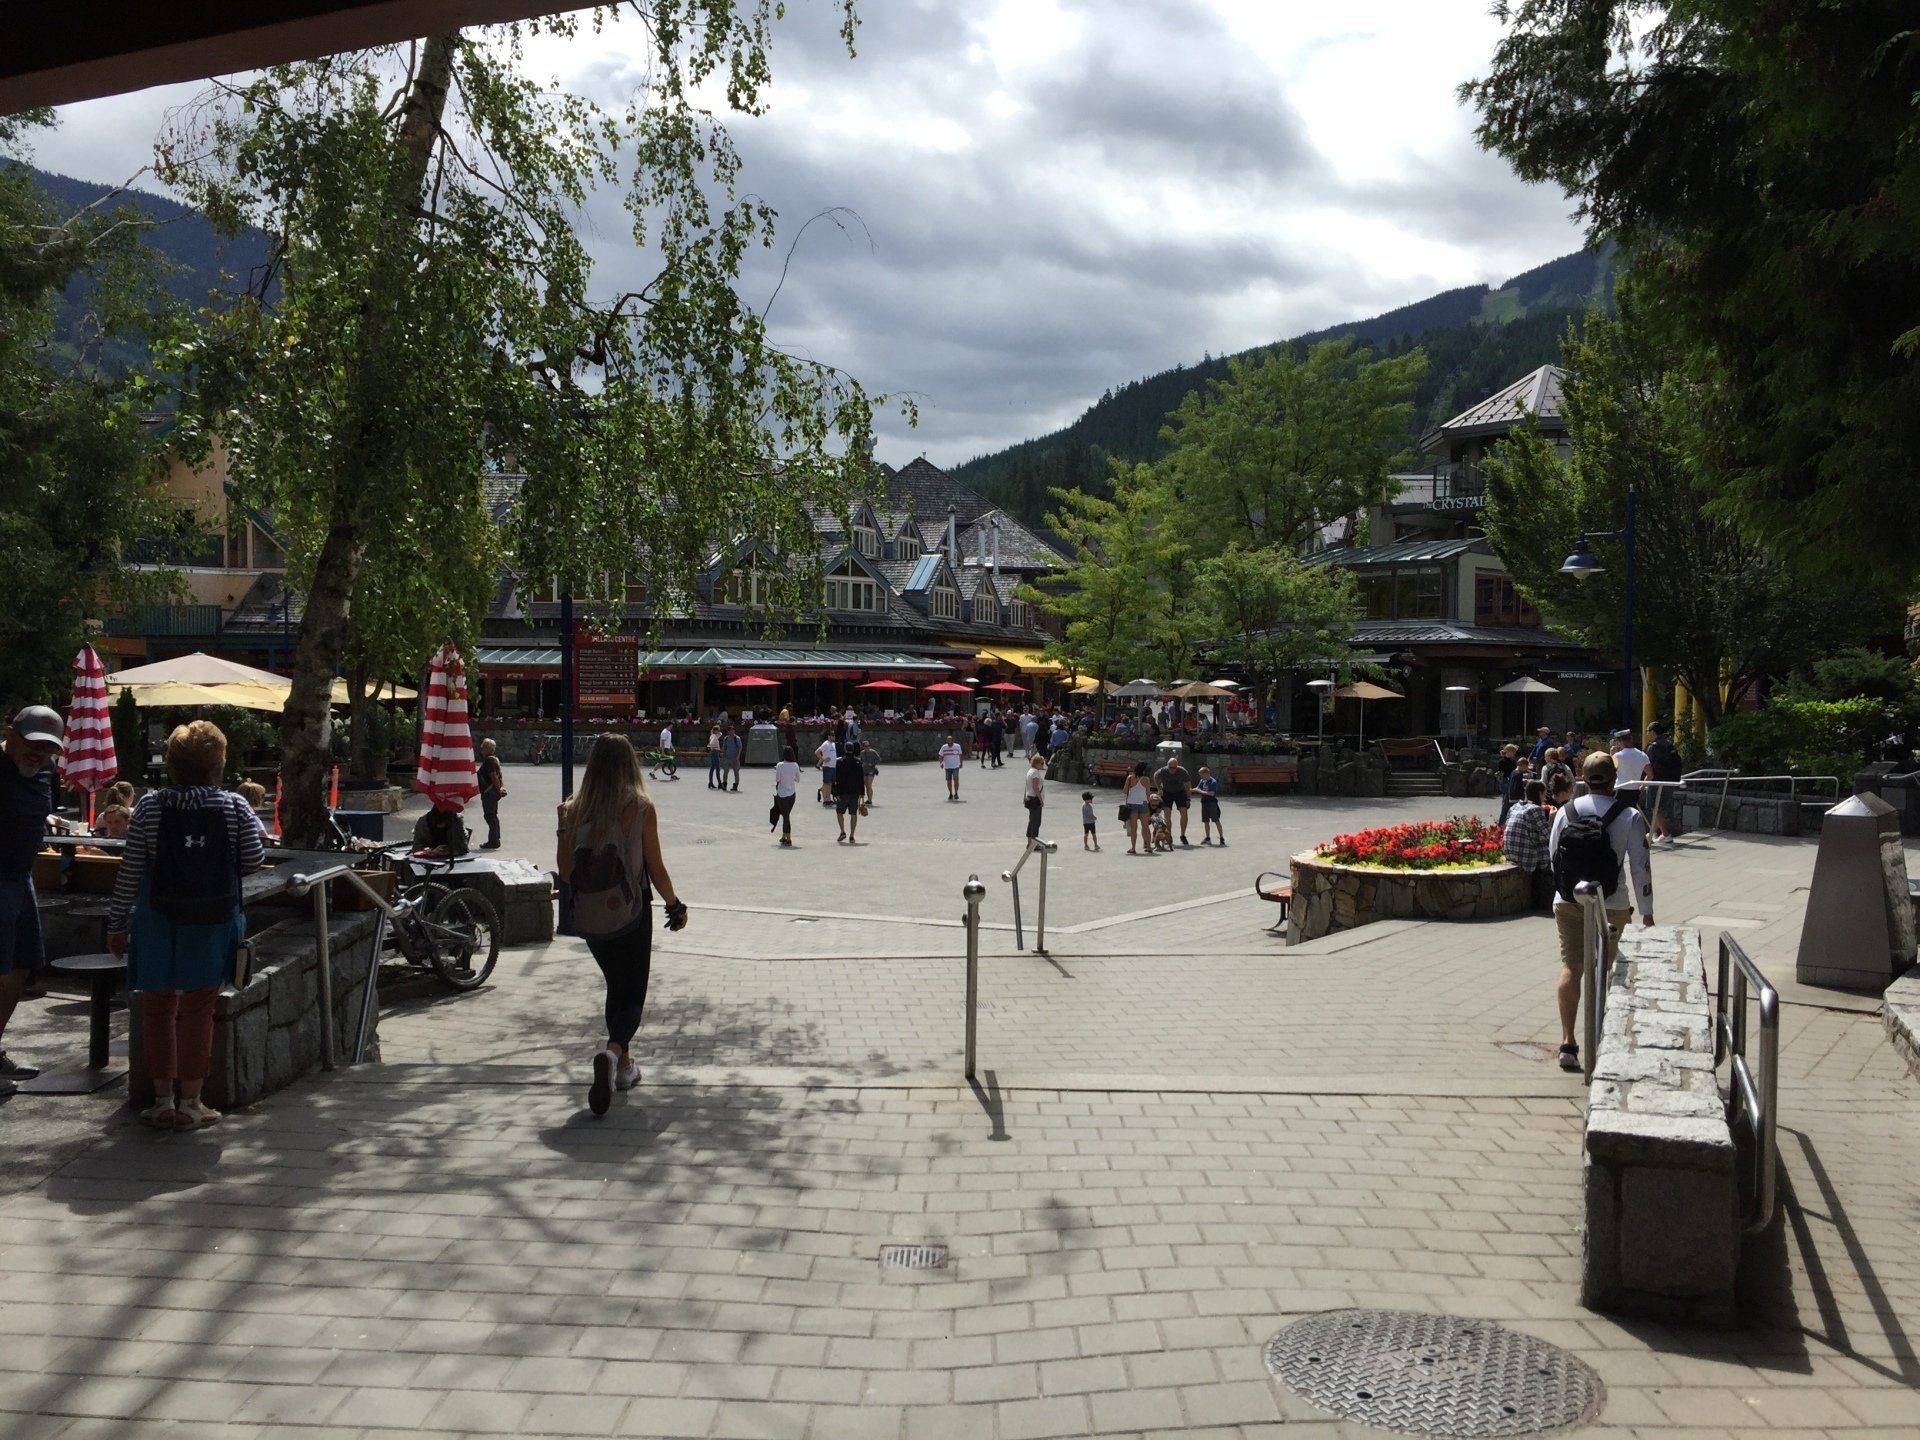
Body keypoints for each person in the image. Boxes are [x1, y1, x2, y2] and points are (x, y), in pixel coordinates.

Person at [107, 720, 267, 1131]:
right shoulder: (235, 806)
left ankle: (162, 1101)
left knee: (158, 1006)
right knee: (199, 1007)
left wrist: (117, 923)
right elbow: (252, 858)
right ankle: (192, 1102)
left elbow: (131, 869)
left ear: (173, 766)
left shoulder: (148, 806)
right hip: (212, 921)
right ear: (218, 766)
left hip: (157, 919)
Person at [556, 734, 687, 1115]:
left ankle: (625, 1068)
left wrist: (562, 826)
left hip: (590, 917)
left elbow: (566, 873)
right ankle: (612, 1056)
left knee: (617, 985)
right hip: (631, 913)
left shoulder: (571, 810)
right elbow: (655, 867)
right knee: (632, 996)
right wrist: (675, 905)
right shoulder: (640, 807)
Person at [1548, 751, 1655, 1073]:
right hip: (1613, 902)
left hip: (1570, 901)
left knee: (1571, 967)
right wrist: (1647, 913)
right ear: (1614, 779)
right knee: (1613, 971)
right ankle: (1610, 1038)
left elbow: (1554, 855)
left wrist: (1562, 892)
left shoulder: (1565, 812)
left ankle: (1568, 1042)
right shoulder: (1630, 816)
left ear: (1583, 777)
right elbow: (1640, 867)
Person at [0, 705, 65, 1093]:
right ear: (12, 734)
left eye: (48, 747)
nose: (39, 753)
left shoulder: (44, 773)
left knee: (21, 967)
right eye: (33, 743)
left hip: (19, 877)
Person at [1502, 778, 1554, 912]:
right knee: (1547, 848)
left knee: (1540, 841)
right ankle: (1544, 897)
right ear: (1540, 793)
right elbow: (1548, 835)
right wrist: (1552, 819)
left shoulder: (1515, 806)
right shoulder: (1535, 809)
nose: (1545, 797)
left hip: (1509, 851)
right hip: (1525, 856)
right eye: (1544, 793)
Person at [1645, 720, 1684, 843]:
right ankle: (1652, 833)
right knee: (1659, 807)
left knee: (1655, 808)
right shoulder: (1669, 744)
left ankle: (1666, 835)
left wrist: (1645, 782)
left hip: (1657, 781)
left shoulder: (1653, 747)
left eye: (1648, 732)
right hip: (1670, 781)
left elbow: (1649, 767)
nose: (1647, 734)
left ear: (1652, 732)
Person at [1153, 752, 1193, 847]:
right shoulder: (1162, 771)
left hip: (1180, 792)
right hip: (1167, 792)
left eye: (1174, 767)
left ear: (1177, 766)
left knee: (1184, 813)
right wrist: (1159, 788)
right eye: (1171, 768)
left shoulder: (1182, 771)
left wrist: (1188, 799)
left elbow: (1188, 786)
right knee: (1167, 814)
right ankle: (1168, 835)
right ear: (1167, 766)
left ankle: (1183, 835)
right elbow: (1155, 775)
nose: (1173, 770)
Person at [833, 740, 866, 843]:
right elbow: (861, 779)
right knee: (853, 814)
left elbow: (837, 778)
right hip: (855, 792)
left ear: (845, 749)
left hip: (843, 792)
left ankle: (842, 831)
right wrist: (862, 794)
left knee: (839, 812)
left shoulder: (839, 762)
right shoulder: (858, 762)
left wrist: (836, 793)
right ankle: (852, 835)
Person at [476, 738, 505, 849]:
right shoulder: (494, 760)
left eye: (484, 746)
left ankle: (494, 841)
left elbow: (494, 776)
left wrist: (499, 789)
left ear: (489, 748)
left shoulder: (489, 761)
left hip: (489, 793)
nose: (481, 749)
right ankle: (495, 839)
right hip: (492, 792)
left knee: (490, 816)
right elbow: (499, 776)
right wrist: (501, 788)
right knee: (492, 816)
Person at [770, 745, 801, 846]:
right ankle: (784, 836)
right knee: (786, 816)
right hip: (792, 794)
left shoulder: (779, 765)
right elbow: (797, 779)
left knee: (786, 817)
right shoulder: (795, 765)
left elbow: (777, 779)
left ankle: (788, 838)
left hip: (782, 794)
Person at [1124, 761, 1152, 856]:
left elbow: (1124, 791)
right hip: (1143, 803)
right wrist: (1147, 802)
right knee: (1145, 826)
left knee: (1133, 827)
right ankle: (1148, 846)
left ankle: (1133, 848)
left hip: (1132, 804)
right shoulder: (1146, 779)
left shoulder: (1130, 777)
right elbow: (1148, 794)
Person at [1195, 766, 1226, 846]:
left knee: (1216, 820)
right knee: (1205, 821)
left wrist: (1200, 791)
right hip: (1204, 802)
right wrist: (1190, 790)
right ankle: (1208, 838)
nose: (1201, 777)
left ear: (1206, 773)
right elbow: (1198, 788)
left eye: (1201, 775)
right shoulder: (1202, 781)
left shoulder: (1213, 782)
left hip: (1212, 803)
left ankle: (1221, 838)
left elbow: (1211, 794)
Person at [1022, 751, 1046, 841]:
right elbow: (1035, 787)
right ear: (1036, 764)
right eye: (1042, 763)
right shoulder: (1035, 773)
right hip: (1035, 799)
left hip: (1029, 798)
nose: (1043, 765)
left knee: (1031, 821)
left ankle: (1029, 841)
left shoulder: (1030, 771)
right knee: (1036, 822)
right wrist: (1041, 800)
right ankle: (1034, 843)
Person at [1495, 744, 1520, 826]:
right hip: (1505, 781)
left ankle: (1505, 822)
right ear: (1508, 751)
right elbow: (1502, 773)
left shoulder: (1513, 761)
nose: (1514, 754)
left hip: (1511, 781)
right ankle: (1501, 823)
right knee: (1506, 803)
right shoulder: (1502, 761)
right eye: (1513, 752)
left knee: (1508, 802)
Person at [815, 731, 838, 806]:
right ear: (829, 736)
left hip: (833, 766)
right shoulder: (825, 743)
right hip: (827, 766)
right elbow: (817, 752)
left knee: (830, 783)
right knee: (826, 783)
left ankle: (828, 798)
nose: (834, 736)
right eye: (832, 735)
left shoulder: (833, 744)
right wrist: (823, 759)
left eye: (834, 735)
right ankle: (825, 799)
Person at [938, 733, 963, 800]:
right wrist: (941, 763)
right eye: (947, 741)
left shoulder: (957, 746)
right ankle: (950, 793)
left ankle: (956, 793)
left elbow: (960, 755)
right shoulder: (944, 747)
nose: (948, 742)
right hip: (947, 767)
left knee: (956, 780)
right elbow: (940, 756)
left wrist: (961, 763)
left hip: (955, 766)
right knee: (949, 781)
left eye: (950, 741)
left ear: (952, 741)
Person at [720, 724, 743, 793]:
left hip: (735, 758)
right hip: (727, 757)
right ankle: (724, 784)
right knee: (725, 772)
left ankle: (735, 786)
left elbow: (740, 748)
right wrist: (722, 754)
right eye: (730, 731)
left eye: (733, 730)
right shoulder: (726, 738)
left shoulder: (737, 738)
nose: (732, 732)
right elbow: (724, 748)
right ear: (728, 731)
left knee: (736, 772)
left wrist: (738, 757)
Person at [706, 722, 724, 790]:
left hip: (713, 752)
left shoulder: (713, 735)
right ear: (716, 730)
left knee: (712, 768)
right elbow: (711, 743)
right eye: (717, 730)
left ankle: (710, 782)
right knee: (717, 768)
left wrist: (713, 731)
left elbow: (720, 734)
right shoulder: (714, 736)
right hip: (715, 751)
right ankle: (719, 783)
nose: (718, 731)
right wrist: (713, 746)